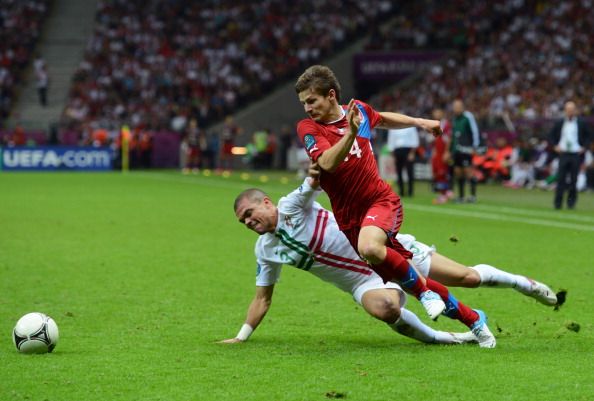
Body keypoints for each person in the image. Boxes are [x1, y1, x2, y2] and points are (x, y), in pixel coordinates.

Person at [226, 176, 486, 346]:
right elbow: (262, 298)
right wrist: (241, 338)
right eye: (243, 221)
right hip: (362, 281)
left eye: (249, 213)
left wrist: (340, 137)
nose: (248, 222)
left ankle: (524, 285)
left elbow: (317, 176)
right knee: (387, 308)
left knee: (469, 278)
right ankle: (446, 339)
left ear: (267, 203)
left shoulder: (292, 204)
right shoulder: (264, 250)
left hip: (384, 249)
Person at [294, 65, 455, 323]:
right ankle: (471, 317)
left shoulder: (358, 112)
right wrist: (351, 134)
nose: (307, 108)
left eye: (311, 101)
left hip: (379, 203)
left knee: (372, 248)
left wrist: (419, 121)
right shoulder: (308, 128)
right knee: (402, 270)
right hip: (350, 220)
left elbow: (381, 118)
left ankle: (430, 295)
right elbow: (326, 163)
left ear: (331, 95)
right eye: (304, 103)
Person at [548, 101, 592, 209]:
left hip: (575, 154)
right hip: (563, 153)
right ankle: (558, 203)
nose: (570, 112)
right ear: (565, 111)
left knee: (574, 179)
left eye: (572, 109)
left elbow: (590, 136)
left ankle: (571, 203)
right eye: (568, 110)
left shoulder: (581, 123)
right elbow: (550, 135)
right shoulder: (560, 122)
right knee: (561, 179)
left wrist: (584, 147)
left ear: (575, 110)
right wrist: (555, 146)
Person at [450, 99, 481, 203]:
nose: (456, 109)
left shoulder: (468, 117)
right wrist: (451, 149)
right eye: (454, 107)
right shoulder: (454, 119)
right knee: (458, 172)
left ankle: (472, 196)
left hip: (466, 149)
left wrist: (474, 146)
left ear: (462, 107)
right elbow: (453, 135)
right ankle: (461, 196)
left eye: (458, 106)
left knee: (468, 172)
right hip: (456, 150)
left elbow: (475, 131)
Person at [386, 126, 419, 197]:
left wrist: (412, 153)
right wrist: (393, 155)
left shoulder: (410, 127)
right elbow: (391, 141)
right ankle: (401, 191)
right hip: (397, 151)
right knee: (399, 172)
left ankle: (410, 191)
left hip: (408, 150)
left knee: (410, 172)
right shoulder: (393, 128)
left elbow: (414, 139)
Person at [430, 108, 453, 204]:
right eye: (435, 112)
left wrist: (447, 152)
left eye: (438, 112)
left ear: (442, 113)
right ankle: (446, 192)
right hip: (437, 152)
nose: (436, 114)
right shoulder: (435, 125)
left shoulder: (446, 124)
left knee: (442, 173)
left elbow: (449, 139)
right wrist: (434, 150)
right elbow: (436, 140)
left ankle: (443, 195)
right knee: (437, 172)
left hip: (443, 152)